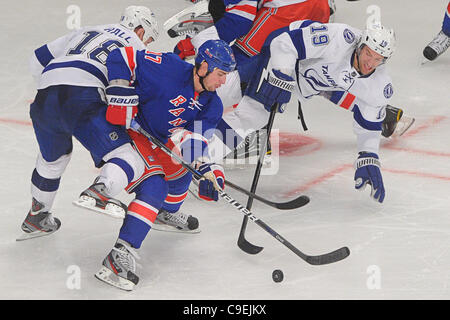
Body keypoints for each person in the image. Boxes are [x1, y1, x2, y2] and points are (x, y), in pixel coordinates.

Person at [93, 39, 236, 290]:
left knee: (181, 174)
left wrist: (208, 173)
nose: (223, 81)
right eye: (221, 74)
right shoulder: (168, 67)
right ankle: (119, 254)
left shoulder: (212, 104)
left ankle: (163, 213)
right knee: (155, 188)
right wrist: (120, 93)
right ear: (203, 67)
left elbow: (193, 146)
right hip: (128, 129)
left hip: (157, 138)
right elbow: (121, 56)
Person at [208, 20, 397, 204]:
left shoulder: (379, 85)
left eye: (378, 59)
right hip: (284, 56)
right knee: (255, 113)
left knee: (226, 89)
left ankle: (192, 134)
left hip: (300, 81)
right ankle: (202, 158)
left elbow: (369, 123)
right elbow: (285, 42)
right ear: (360, 46)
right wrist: (281, 75)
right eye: (368, 54)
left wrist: (368, 156)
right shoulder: (338, 38)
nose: (370, 63)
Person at [18, 6, 159, 241]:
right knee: (127, 157)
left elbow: (36, 60)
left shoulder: (88, 29)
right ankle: (101, 191)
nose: (149, 42)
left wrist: (53, 89)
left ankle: (37, 216)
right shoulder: (137, 46)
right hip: (83, 95)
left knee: (53, 159)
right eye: (150, 37)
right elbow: (135, 93)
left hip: (46, 94)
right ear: (141, 28)